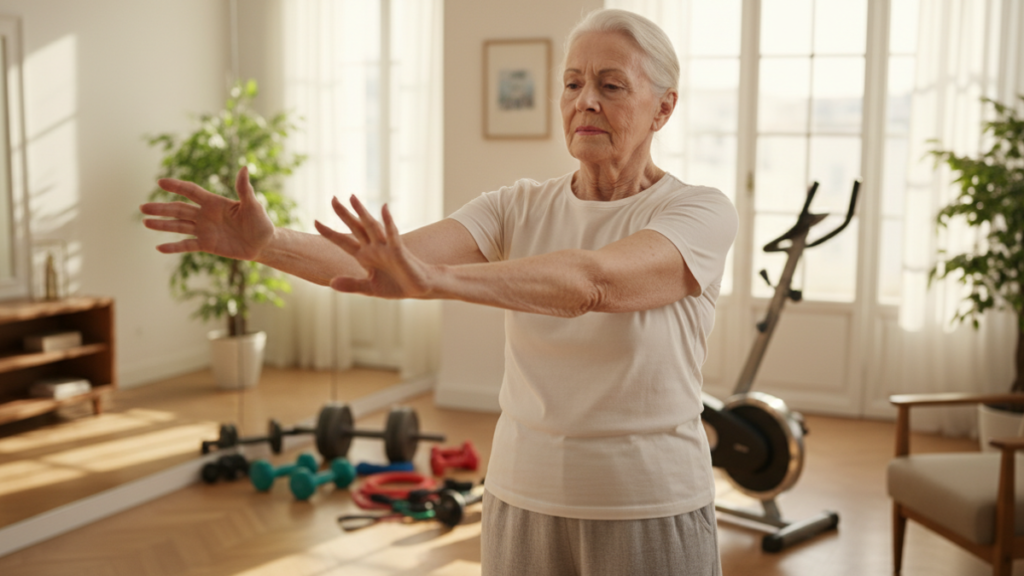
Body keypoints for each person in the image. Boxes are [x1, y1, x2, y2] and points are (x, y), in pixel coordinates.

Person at [141, 8, 736, 575]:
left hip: (648, 504)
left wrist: (437, 283)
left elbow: (592, 282)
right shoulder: (516, 206)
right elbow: (384, 263)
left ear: (663, 109)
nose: (585, 100)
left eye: (610, 86)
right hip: (521, 495)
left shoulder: (699, 212)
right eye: (573, 83)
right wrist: (267, 245)